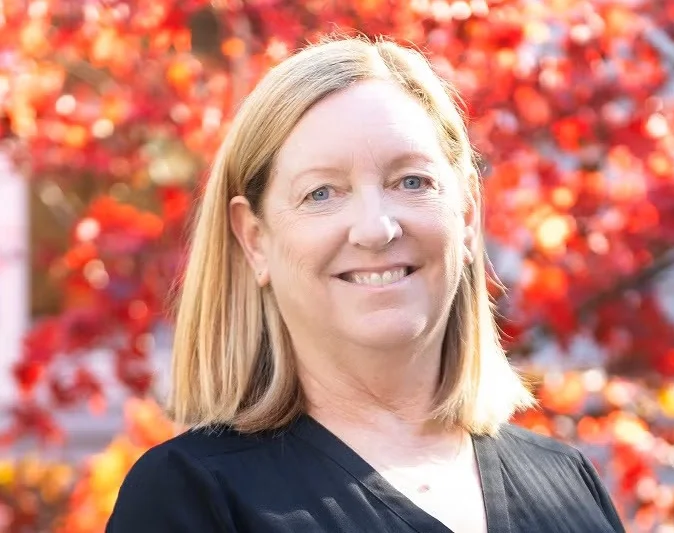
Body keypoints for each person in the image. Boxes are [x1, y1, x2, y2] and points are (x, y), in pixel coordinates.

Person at [106, 35, 626, 533]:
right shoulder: (192, 498)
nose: (376, 228)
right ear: (255, 239)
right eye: (322, 193)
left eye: (411, 182)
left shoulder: (568, 484)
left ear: (466, 215)